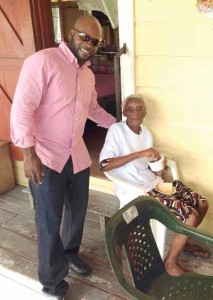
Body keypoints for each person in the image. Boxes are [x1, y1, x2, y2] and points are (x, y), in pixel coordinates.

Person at [10, 15, 116, 300]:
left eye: (95, 42)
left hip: (77, 155)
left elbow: (92, 109)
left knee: (76, 214)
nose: (89, 45)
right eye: (85, 37)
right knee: (48, 221)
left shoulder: (88, 74)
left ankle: (70, 255)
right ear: (71, 33)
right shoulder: (43, 62)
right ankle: (53, 284)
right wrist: (28, 153)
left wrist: (118, 126)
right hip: (45, 156)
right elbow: (21, 110)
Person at [99, 94, 209, 277]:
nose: (135, 112)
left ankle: (184, 240)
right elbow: (104, 165)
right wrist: (139, 153)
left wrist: (159, 166)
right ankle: (170, 262)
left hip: (154, 182)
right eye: (131, 108)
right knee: (190, 216)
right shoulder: (116, 131)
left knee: (201, 203)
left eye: (139, 108)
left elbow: (148, 165)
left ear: (145, 112)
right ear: (124, 112)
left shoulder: (146, 133)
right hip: (136, 189)